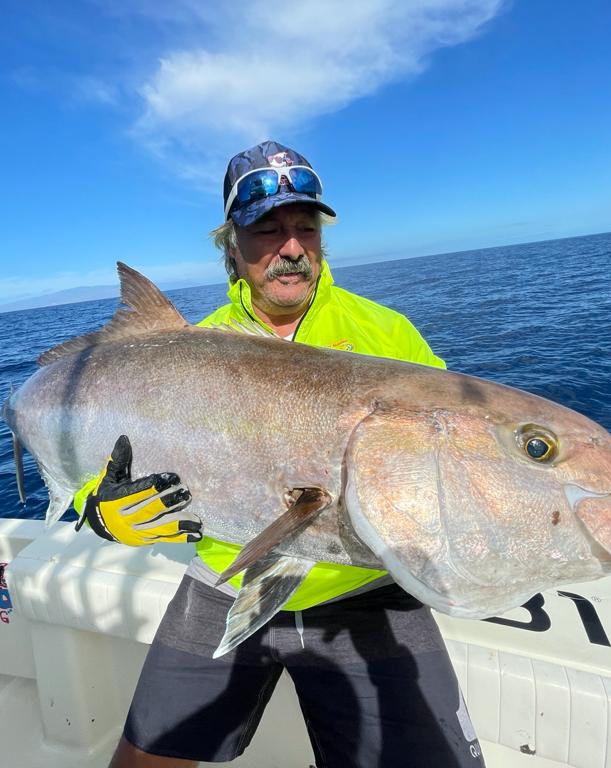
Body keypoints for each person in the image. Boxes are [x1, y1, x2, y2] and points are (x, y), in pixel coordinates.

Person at [74, 140, 486, 768]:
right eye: (267, 229)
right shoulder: (183, 352)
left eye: (305, 227)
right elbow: (100, 458)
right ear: (231, 247)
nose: (291, 247)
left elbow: (458, 455)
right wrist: (96, 509)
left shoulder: (388, 334)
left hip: (365, 587)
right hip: (225, 574)